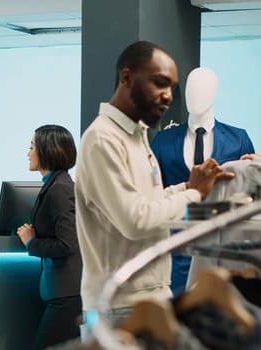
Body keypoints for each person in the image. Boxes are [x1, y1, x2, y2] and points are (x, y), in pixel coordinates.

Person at [74, 41, 234, 326]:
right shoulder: (102, 139)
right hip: (120, 305)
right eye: (160, 84)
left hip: (149, 298)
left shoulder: (137, 137)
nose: (168, 96)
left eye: (172, 88)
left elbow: (150, 202)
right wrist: (193, 194)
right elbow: (135, 220)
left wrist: (187, 188)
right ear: (126, 78)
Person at [151, 67, 255, 295]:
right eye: (191, 89)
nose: (196, 96)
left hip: (222, 245)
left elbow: (250, 197)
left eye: (204, 89)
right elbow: (153, 193)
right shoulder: (163, 141)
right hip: (176, 246)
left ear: (215, 92)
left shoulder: (239, 140)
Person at [16, 125, 82, 349]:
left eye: (32, 146)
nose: (28, 153)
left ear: (47, 150)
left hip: (67, 294)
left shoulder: (60, 189)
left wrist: (31, 242)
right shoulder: (55, 185)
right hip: (63, 293)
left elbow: (68, 242)